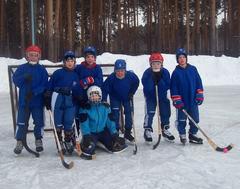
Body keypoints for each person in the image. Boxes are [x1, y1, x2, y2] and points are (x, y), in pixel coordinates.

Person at [44, 51, 82, 154]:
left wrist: (79, 96)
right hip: (58, 102)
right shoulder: (58, 73)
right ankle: (59, 141)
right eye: (67, 61)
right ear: (64, 62)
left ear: (74, 62)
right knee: (58, 123)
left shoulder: (75, 75)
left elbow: (77, 89)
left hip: (70, 103)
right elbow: (50, 85)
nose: (70, 63)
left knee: (69, 122)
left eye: (72, 61)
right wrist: (47, 96)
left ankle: (68, 140)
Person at [13, 45, 49, 154]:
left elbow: (44, 84)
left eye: (35, 55)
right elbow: (15, 80)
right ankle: (20, 141)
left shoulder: (42, 70)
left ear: (39, 57)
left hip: (37, 102)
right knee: (22, 122)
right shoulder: (22, 68)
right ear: (27, 56)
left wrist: (35, 92)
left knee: (38, 122)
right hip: (24, 101)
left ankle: (38, 139)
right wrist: (24, 77)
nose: (33, 57)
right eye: (31, 55)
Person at [79, 85, 126, 156]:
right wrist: (86, 135)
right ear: (89, 96)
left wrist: (114, 133)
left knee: (116, 145)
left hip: (103, 131)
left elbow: (110, 121)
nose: (94, 98)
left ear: (100, 96)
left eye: (96, 96)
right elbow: (84, 123)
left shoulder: (105, 107)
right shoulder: (85, 108)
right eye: (92, 96)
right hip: (91, 133)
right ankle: (89, 142)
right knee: (89, 148)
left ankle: (101, 141)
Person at [170, 48, 204, 145]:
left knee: (195, 119)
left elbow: (198, 82)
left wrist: (199, 94)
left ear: (186, 58)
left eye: (183, 57)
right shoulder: (176, 73)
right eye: (179, 57)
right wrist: (177, 100)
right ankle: (182, 134)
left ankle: (192, 134)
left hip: (193, 100)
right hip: (182, 102)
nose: (182, 59)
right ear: (177, 59)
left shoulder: (193, 69)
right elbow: (174, 88)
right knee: (182, 119)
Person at [102, 59, 139, 143]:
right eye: (118, 71)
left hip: (127, 97)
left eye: (122, 70)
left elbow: (136, 82)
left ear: (125, 70)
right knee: (115, 115)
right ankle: (116, 134)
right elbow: (105, 89)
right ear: (115, 70)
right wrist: (104, 99)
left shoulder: (131, 76)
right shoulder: (111, 78)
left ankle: (128, 132)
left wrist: (132, 92)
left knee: (129, 113)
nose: (120, 73)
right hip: (115, 97)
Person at [141, 52, 175, 142]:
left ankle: (165, 129)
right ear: (150, 64)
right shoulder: (147, 73)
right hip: (151, 97)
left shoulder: (165, 72)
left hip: (162, 97)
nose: (156, 65)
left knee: (165, 112)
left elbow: (167, 85)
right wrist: (152, 80)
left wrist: (159, 80)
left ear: (161, 64)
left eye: (158, 63)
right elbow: (147, 87)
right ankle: (147, 129)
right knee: (150, 113)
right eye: (154, 63)